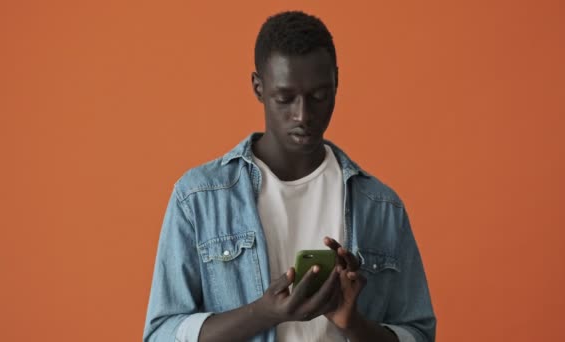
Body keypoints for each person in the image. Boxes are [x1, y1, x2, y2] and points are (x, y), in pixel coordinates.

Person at [143, 10, 436, 342]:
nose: (302, 115)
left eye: (319, 96)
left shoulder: (381, 206)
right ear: (258, 87)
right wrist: (264, 313)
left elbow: (419, 334)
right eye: (284, 98)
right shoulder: (198, 197)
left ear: (337, 82)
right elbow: (160, 334)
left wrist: (351, 321)